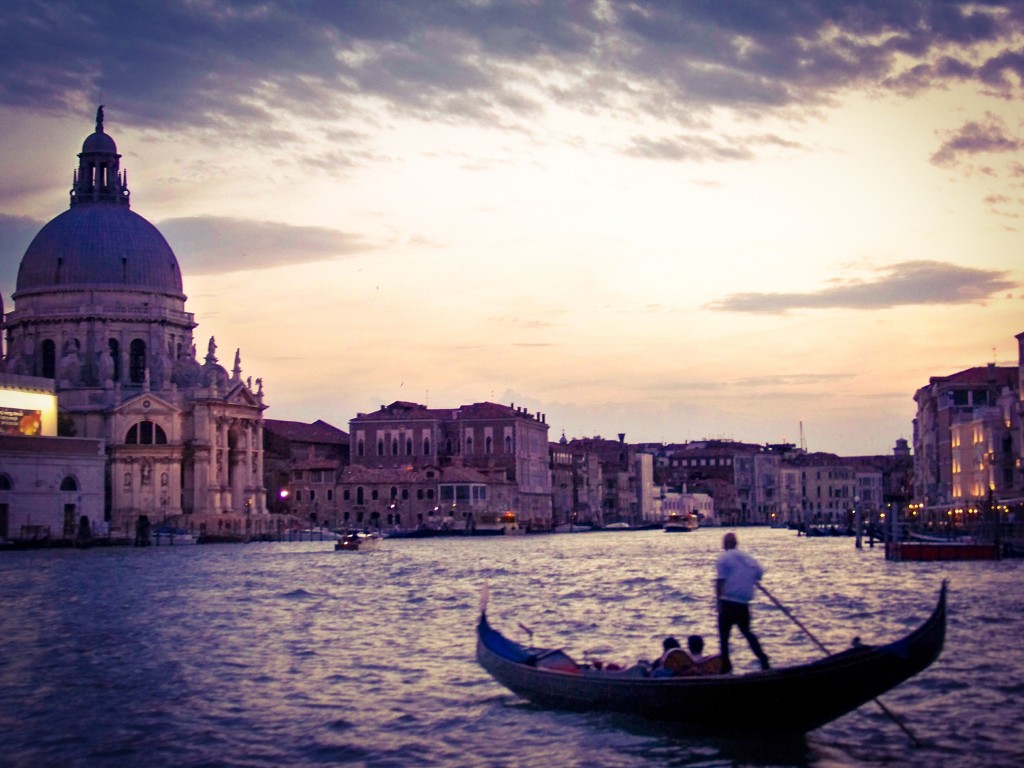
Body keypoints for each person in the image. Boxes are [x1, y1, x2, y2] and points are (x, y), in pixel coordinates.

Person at [715, 531, 770, 673]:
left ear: (725, 544)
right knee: (747, 633)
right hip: (743, 605)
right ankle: (763, 659)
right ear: (736, 544)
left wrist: (718, 603)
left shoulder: (724, 558)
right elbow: (759, 574)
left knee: (724, 638)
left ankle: (726, 668)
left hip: (728, 603)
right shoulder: (748, 558)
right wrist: (748, 578)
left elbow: (720, 582)